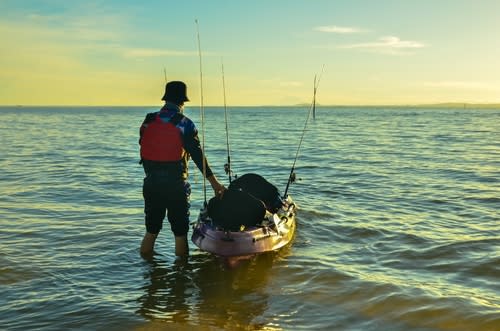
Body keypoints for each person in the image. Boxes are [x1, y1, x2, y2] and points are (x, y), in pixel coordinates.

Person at [139, 81, 225, 258]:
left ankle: (148, 276)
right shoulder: (185, 124)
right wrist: (215, 184)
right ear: (182, 102)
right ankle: (181, 276)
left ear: (165, 99)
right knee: (179, 233)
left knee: (151, 230)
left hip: (151, 183)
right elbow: (197, 156)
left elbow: (144, 146)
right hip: (175, 186)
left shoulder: (148, 121)